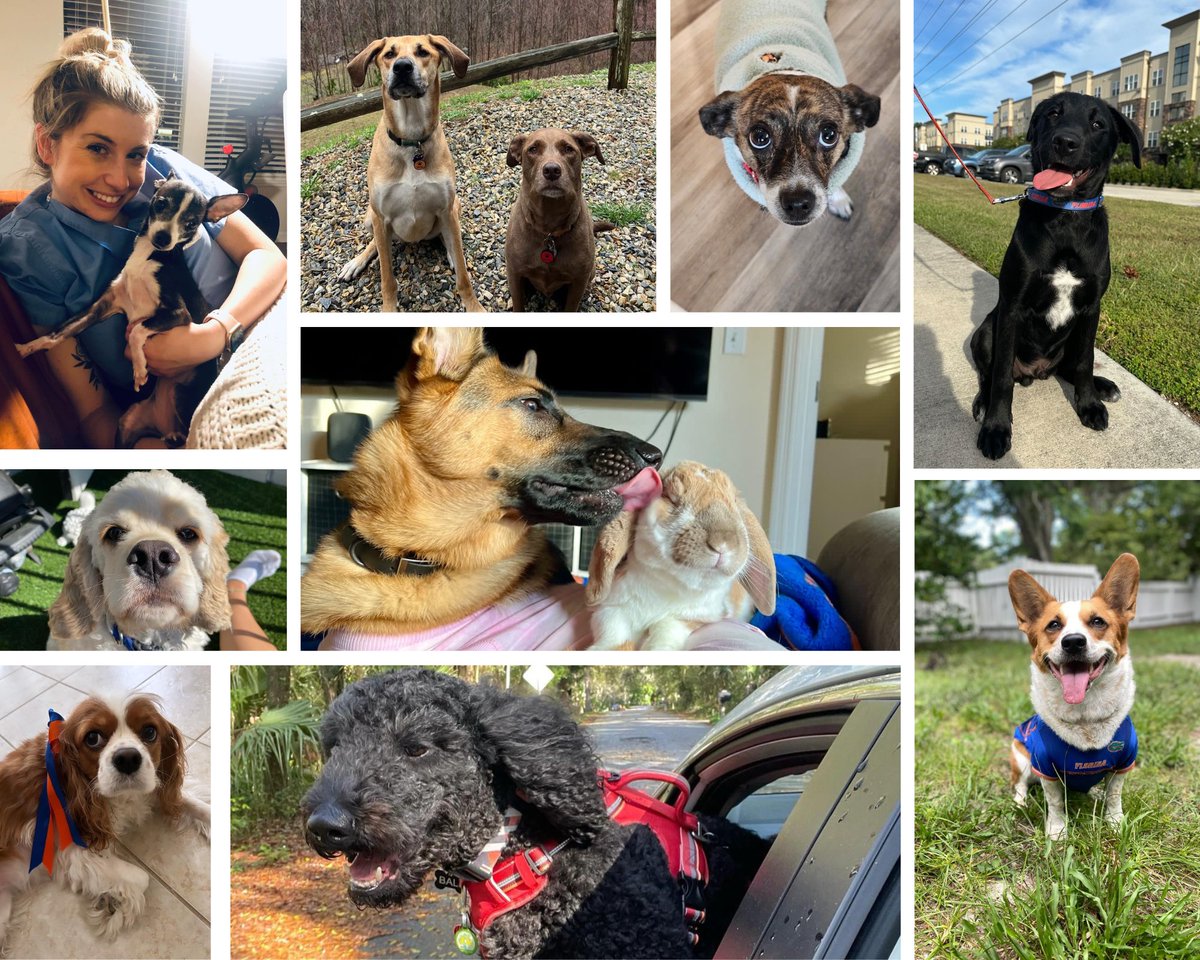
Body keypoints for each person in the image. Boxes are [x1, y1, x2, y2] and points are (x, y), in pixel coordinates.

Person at [0, 28, 286, 448]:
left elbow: (268, 256)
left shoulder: (163, 168)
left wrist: (214, 334)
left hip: (260, 335)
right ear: (48, 144)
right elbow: (95, 411)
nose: (121, 180)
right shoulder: (28, 250)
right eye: (97, 148)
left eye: (135, 153)